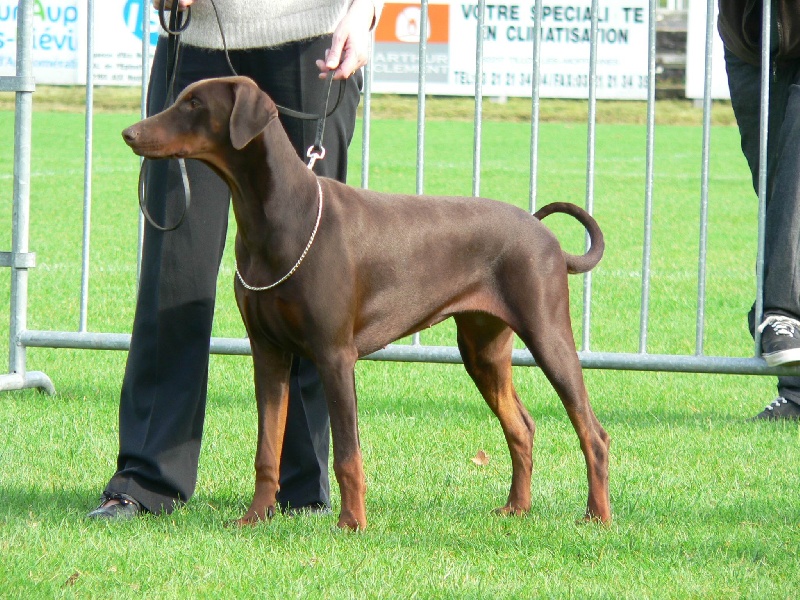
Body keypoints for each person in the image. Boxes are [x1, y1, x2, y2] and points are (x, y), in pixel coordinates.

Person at [88, 0, 383, 519]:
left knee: (314, 280)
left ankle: (302, 486)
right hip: (198, 47)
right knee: (174, 274)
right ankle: (147, 478)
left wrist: (365, 13)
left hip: (313, 42)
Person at [718, 0, 800, 420]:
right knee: (780, 201)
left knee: (795, 195)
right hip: (751, 43)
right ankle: (798, 394)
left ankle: (779, 313)